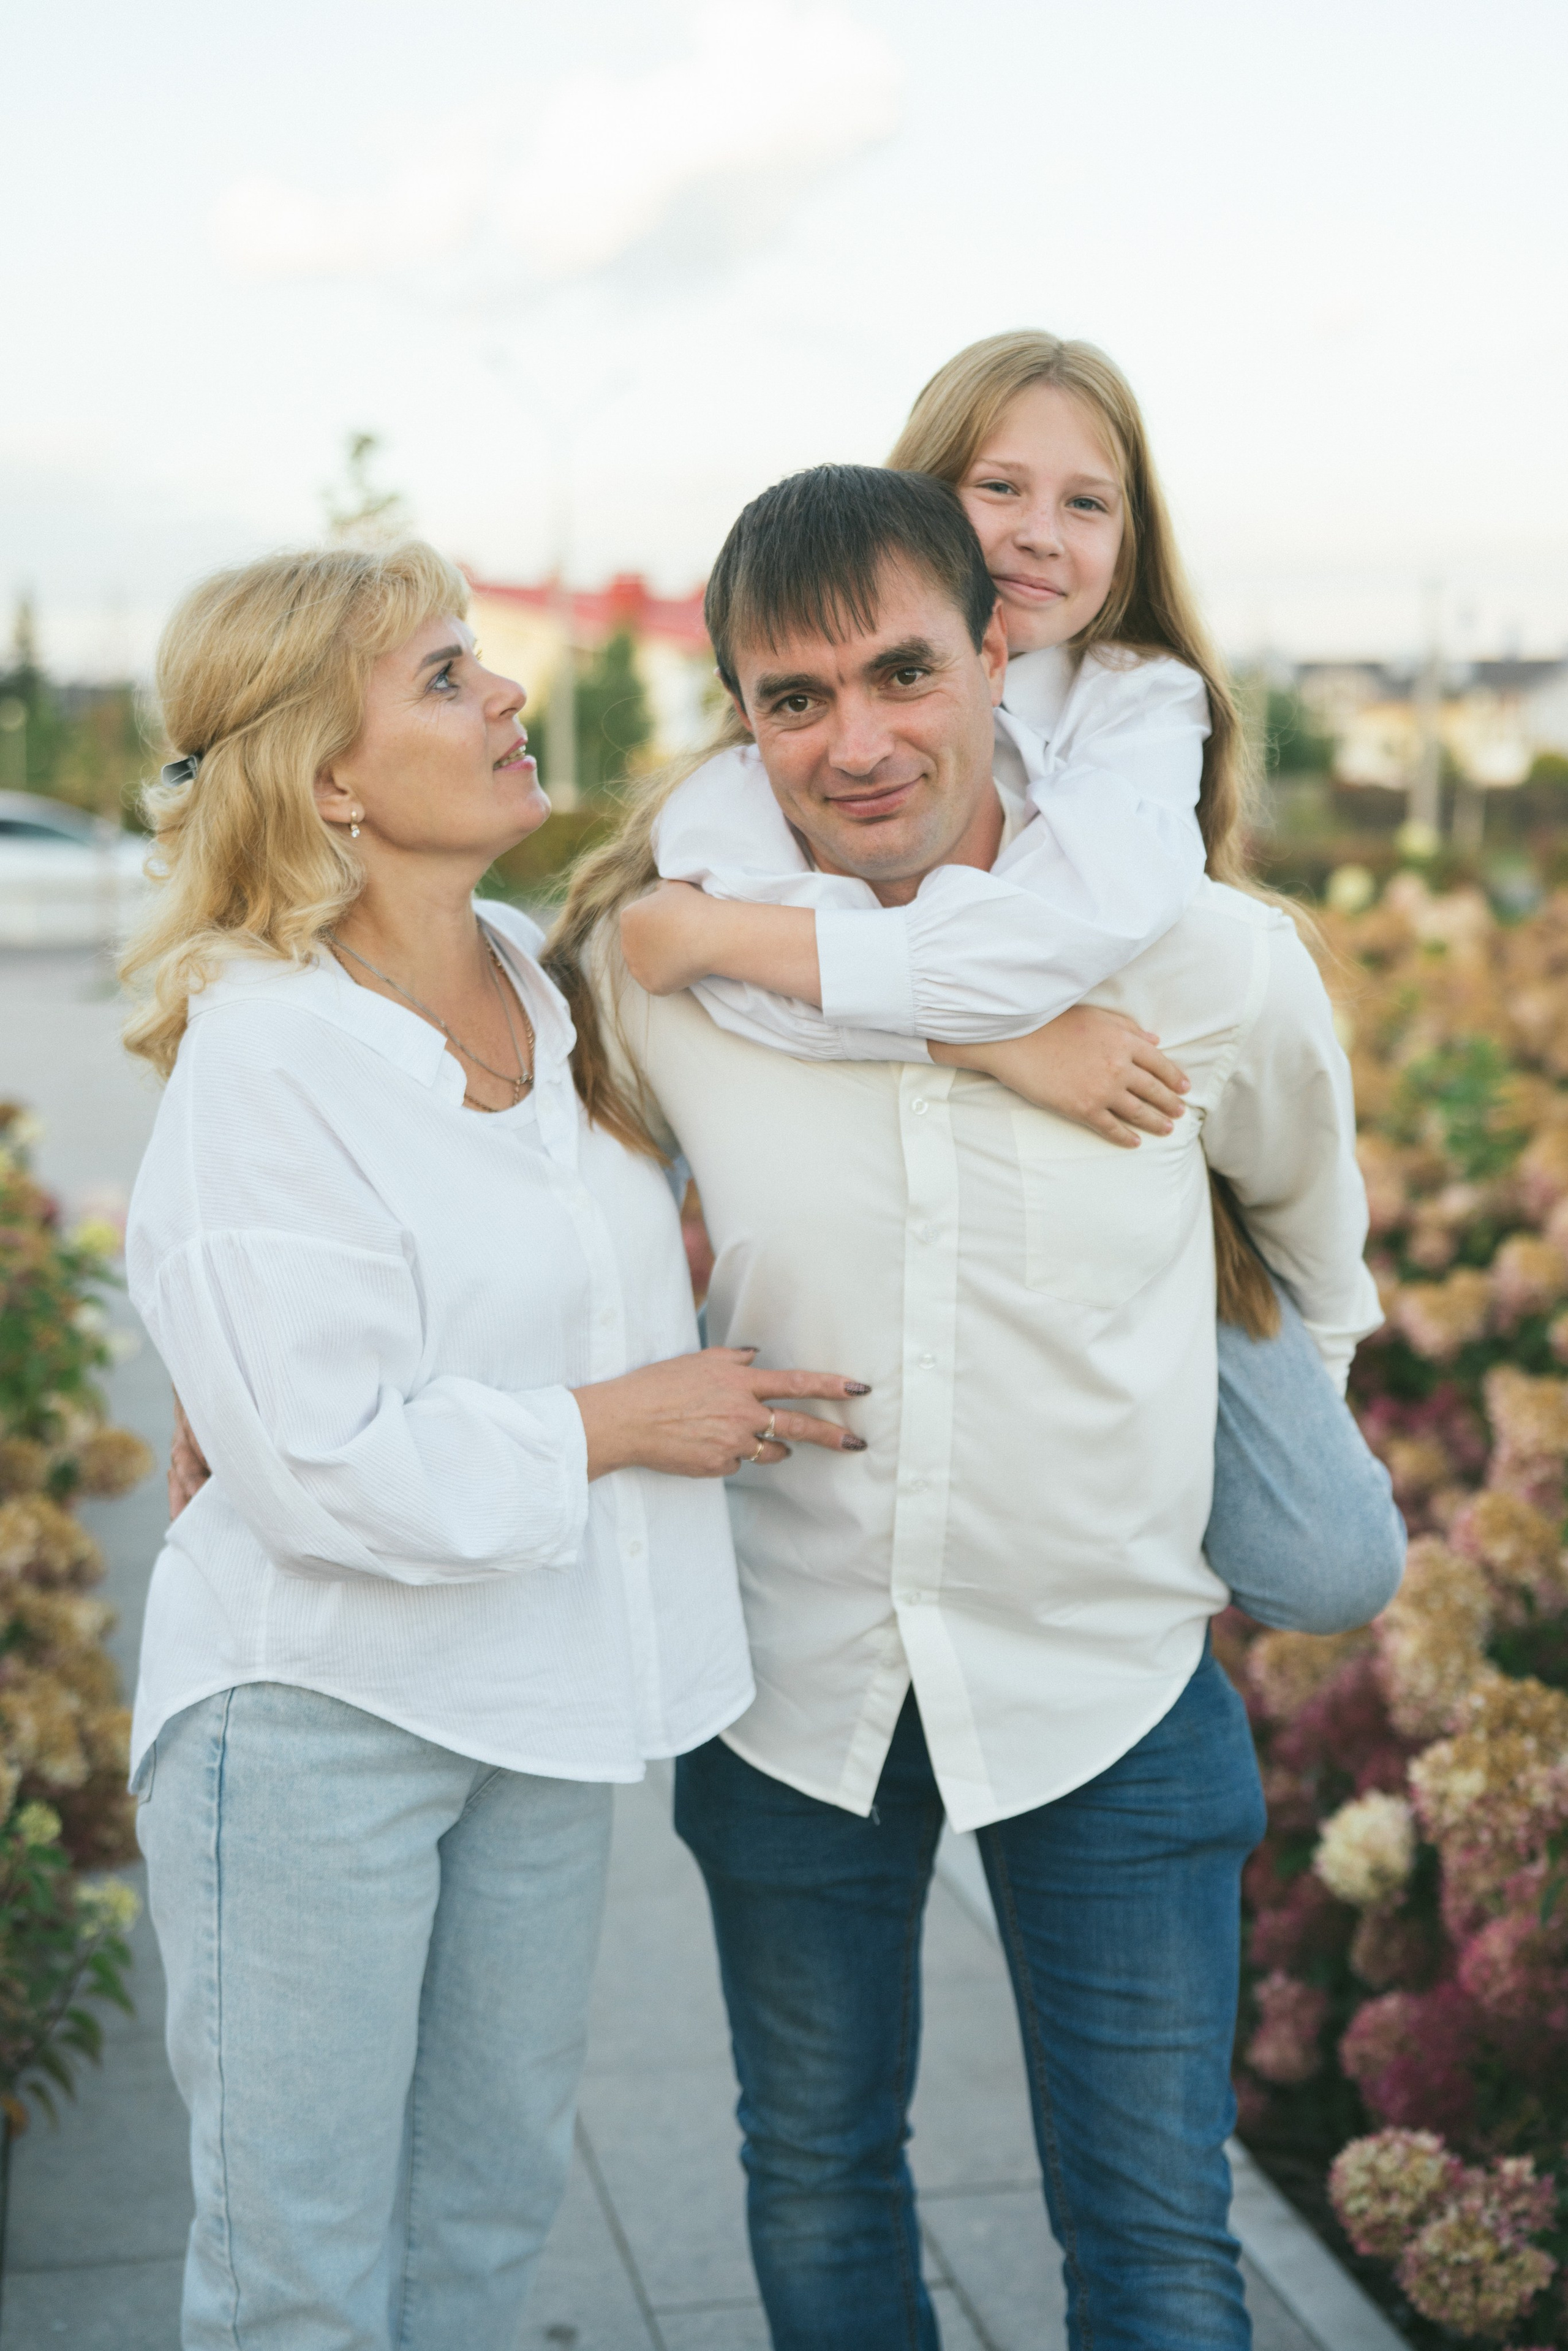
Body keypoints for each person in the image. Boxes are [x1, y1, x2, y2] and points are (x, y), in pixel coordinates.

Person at [546, 462, 1384, 2349]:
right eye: (795, 697)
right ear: (742, 714)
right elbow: (475, 1165)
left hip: (1107, 1674)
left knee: (1159, 2235)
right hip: (796, 1673)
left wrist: (1217, 1470)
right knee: (820, 2172)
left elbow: (1318, 1266)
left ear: (1005, 639)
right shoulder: (667, 967)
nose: (859, 741)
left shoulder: (1210, 963)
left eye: (905, 671)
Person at [121, 541, 867, 2351]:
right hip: (313, 1722)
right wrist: (626, 1420)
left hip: (537, 1703)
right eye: (448, 674)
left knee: (482, 2217)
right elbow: (322, 1463)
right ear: (332, 777)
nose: (509, 692)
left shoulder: (547, 984)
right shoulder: (267, 1052)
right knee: (294, 2261)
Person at [619, 331, 1403, 1636]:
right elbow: (739, 990)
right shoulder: (790, 740)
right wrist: (995, 1046)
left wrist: (728, 941)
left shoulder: (1140, 705)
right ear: (924, 500)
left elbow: (1050, 939)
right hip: (860, 1459)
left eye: (1085, 503)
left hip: (1162, 1178)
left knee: (1333, 1559)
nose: (1039, 534)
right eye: (998, 491)